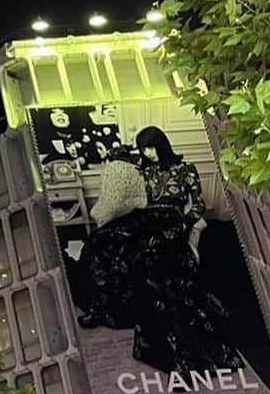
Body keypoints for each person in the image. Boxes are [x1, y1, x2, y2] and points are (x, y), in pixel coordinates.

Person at [69, 156, 241, 377]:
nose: (147, 153)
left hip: (173, 218)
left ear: (160, 145)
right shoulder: (142, 169)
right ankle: (107, 303)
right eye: (143, 149)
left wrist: (184, 224)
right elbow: (134, 197)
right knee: (102, 241)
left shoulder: (184, 169)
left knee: (154, 257)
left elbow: (197, 204)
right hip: (147, 216)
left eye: (149, 147)